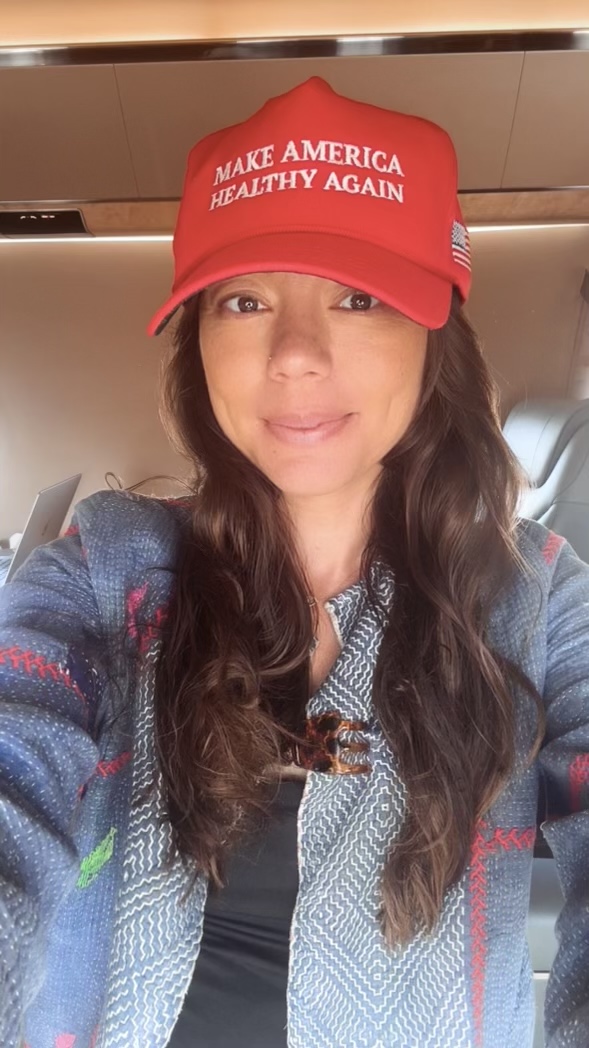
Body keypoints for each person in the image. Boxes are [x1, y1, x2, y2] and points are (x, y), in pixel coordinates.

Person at [0, 76, 588, 1048]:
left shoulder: (533, 599)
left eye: (359, 297)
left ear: (434, 339)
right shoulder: (101, 574)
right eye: (244, 300)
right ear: (198, 345)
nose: (295, 354)